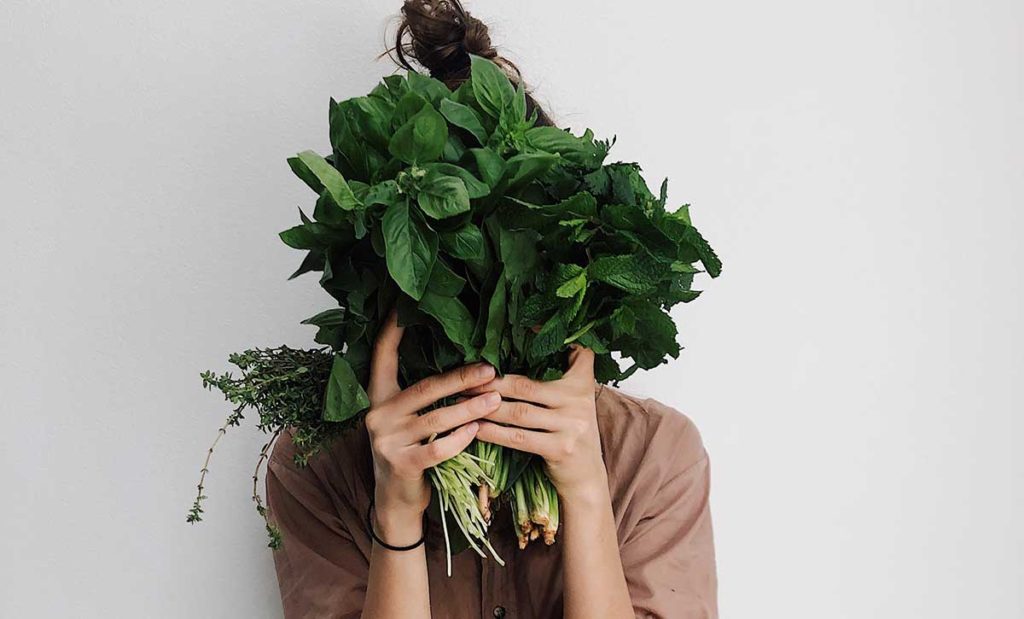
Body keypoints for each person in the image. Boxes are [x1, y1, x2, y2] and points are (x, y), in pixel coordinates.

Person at [265, 2, 718, 617]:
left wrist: (585, 490)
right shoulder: (318, 467)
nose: (484, 331)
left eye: (510, 277)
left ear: (570, 275)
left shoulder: (653, 456)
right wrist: (395, 512)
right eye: (452, 284)